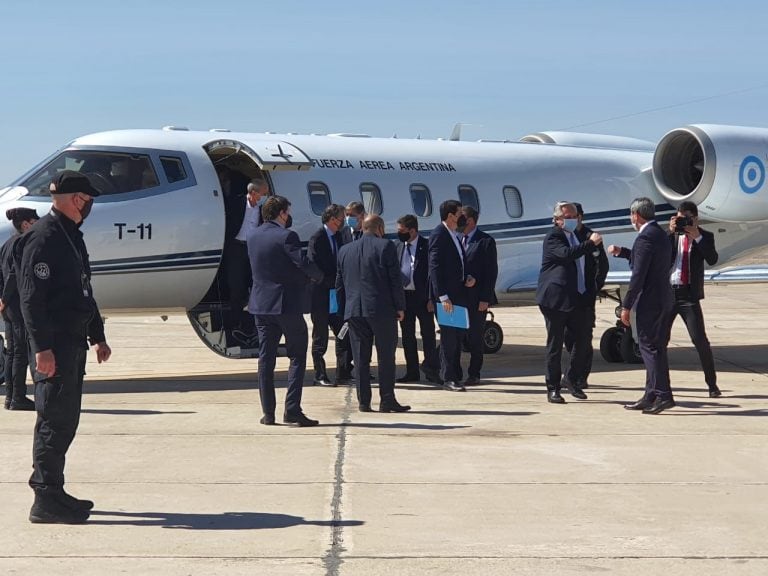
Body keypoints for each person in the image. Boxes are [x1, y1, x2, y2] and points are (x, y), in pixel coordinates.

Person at [19, 171, 111, 524]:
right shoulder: (44, 239)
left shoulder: (70, 236)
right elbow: (31, 300)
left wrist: (97, 335)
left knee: (65, 420)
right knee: (53, 422)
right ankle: (45, 498)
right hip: (54, 347)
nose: (89, 206)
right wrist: (42, 349)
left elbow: (83, 290)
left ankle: (54, 491)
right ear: (77, 199)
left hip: (71, 343)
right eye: (88, 200)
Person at [247, 195, 322, 427]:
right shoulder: (287, 236)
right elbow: (301, 262)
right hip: (286, 305)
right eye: (287, 212)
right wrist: (318, 276)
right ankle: (292, 410)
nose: (288, 216)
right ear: (281, 213)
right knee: (297, 356)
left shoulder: (253, 235)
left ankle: (268, 413)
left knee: (265, 359)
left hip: (261, 305)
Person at [336, 215, 410, 412]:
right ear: (380, 228)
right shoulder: (386, 247)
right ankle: (387, 400)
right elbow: (395, 281)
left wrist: (344, 312)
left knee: (360, 358)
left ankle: (363, 401)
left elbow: (339, 285)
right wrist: (400, 307)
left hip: (354, 311)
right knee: (386, 356)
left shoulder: (344, 250)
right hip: (381, 310)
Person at [608, 197, 675, 414]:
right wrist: (625, 252)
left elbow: (639, 274)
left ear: (636, 215)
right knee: (655, 348)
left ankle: (663, 395)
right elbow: (647, 261)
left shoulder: (646, 237)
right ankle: (652, 393)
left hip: (650, 301)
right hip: (663, 298)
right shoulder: (660, 235)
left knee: (649, 347)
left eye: (631, 215)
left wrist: (626, 306)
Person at [536, 202, 603, 403]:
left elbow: (597, 263)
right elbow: (567, 255)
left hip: (579, 298)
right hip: (555, 299)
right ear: (557, 220)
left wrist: (594, 287)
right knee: (555, 345)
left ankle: (572, 380)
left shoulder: (582, 236)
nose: (573, 220)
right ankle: (553, 387)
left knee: (583, 341)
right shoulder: (554, 237)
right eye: (568, 217)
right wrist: (591, 244)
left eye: (575, 216)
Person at [667, 200, 720, 397]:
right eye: (680, 218)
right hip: (669, 293)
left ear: (695, 218)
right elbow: (657, 254)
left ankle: (712, 385)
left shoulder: (705, 236)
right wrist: (671, 232)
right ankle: (661, 386)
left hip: (689, 295)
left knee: (699, 340)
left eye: (687, 218)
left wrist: (697, 237)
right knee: (659, 340)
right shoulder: (672, 236)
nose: (684, 222)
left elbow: (713, 259)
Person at [428, 200, 476, 392]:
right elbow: (435, 268)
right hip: (447, 298)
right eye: (459, 213)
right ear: (450, 215)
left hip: (459, 293)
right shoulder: (439, 235)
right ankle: (448, 377)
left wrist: (467, 277)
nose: (462, 216)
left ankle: (453, 373)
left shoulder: (454, 235)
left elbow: (458, 264)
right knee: (449, 338)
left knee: (458, 336)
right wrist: (443, 296)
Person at [563, 202, 609, 389]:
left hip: (585, 295)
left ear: (580, 217)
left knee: (584, 337)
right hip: (568, 296)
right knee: (568, 337)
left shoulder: (591, 237)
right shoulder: (564, 237)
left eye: (573, 217)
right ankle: (574, 372)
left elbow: (602, 265)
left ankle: (580, 377)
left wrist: (595, 287)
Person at [307, 204, 351, 387]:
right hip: (322, 295)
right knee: (320, 336)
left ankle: (343, 372)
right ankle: (320, 374)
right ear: (332, 219)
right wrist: (330, 281)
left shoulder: (340, 237)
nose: (343, 222)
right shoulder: (317, 238)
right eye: (341, 218)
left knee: (343, 332)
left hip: (337, 294)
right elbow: (313, 266)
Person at [0, 208, 39, 410]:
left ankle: (10, 397)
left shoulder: (7, 244)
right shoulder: (24, 244)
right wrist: (5, 299)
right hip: (17, 305)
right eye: (34, 221)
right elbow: (15, 275)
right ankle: (18, 397)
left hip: (8, 308)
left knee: (14, 352)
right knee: (20, 353)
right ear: (25, 224)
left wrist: (1, 300)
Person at [219, 168, 264, 343]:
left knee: (255, 284)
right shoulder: (235, 203)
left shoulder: (262, 209)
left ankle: (253, 321)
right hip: (236, 248)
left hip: (253, 250)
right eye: (262, 194)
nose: (263, 197)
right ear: (253, 193)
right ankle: (234, 322)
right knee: (236, 286)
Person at [395, 214, 440, 384]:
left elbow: (432, 274)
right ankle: (411, 371)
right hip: (405, 297)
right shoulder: (398, 246)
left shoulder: (427, 246)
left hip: (423, 298)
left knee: (428, 335)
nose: (400, 234)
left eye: (402, 231)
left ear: (412, 230)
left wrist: (431, 298)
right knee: (407, 336)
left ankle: (431, 369)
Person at [459, 206, 498, 386]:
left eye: (462, 217)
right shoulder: (456, 238)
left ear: (471, 220)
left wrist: (485, 298)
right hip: (458, 297)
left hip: (476, 299)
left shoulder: (485, 241)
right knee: (454, 335)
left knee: (475, 338)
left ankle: (474, 373)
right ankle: (452, 371)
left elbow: (491, 273)